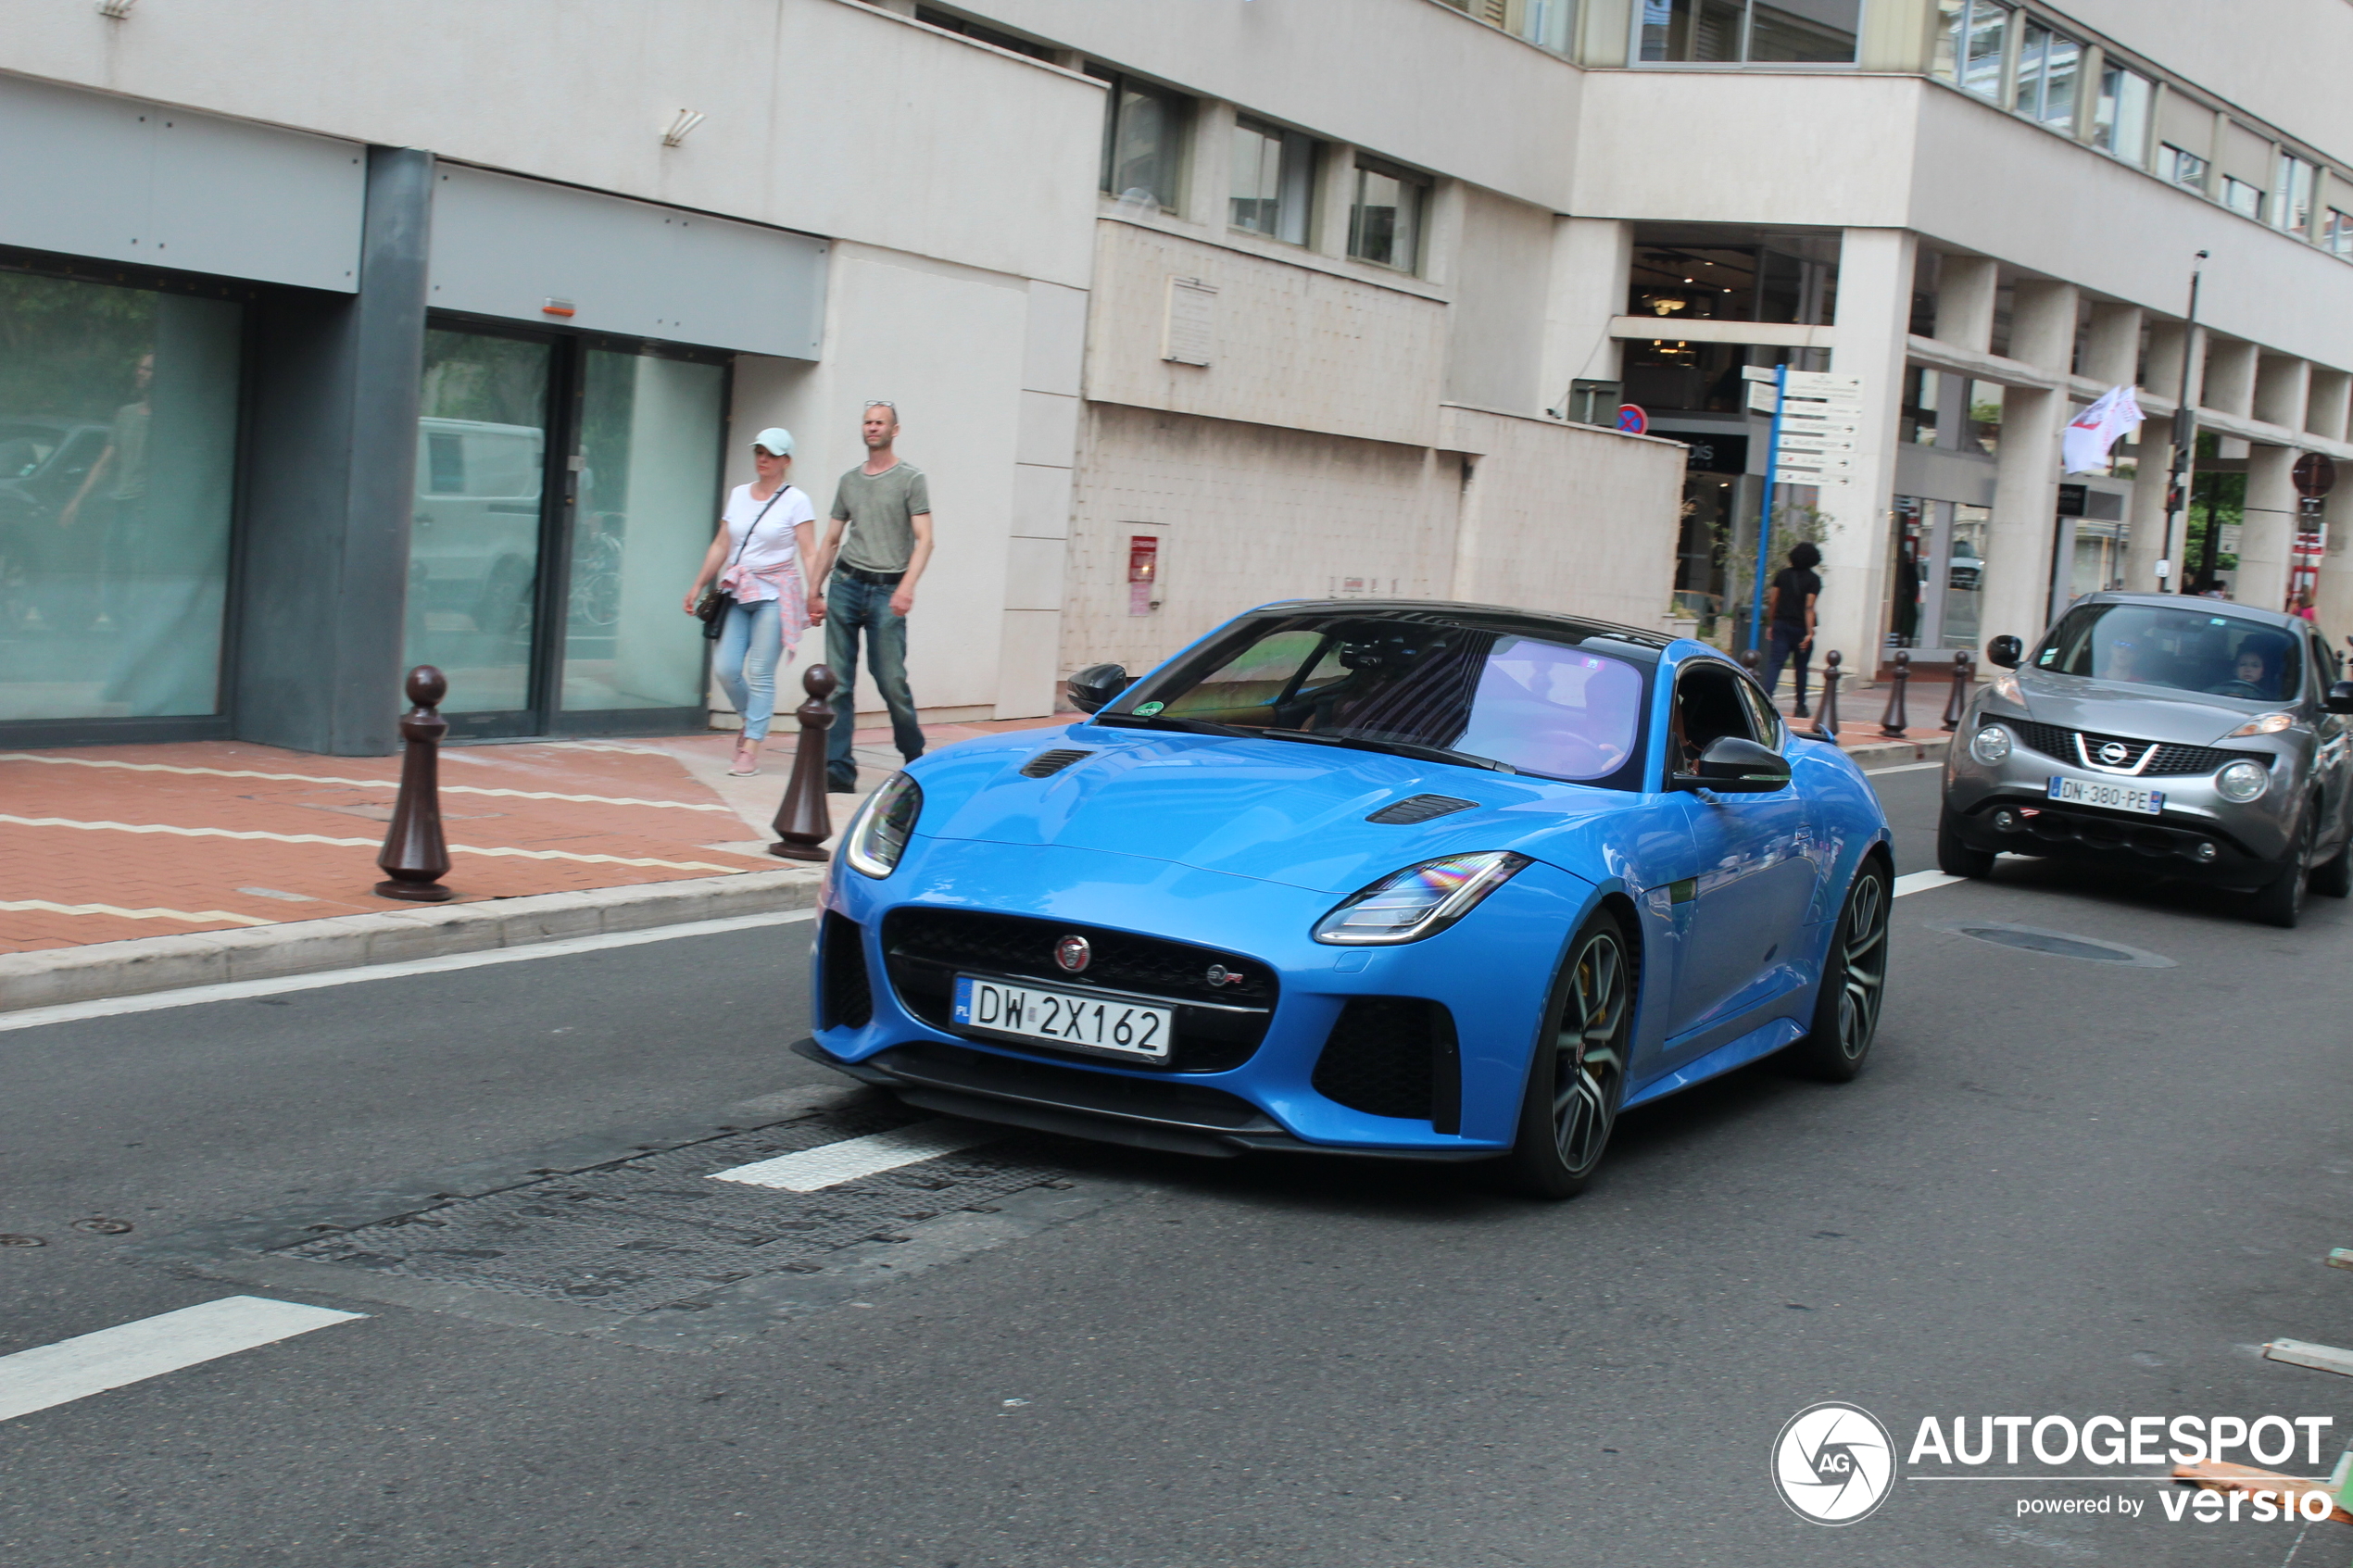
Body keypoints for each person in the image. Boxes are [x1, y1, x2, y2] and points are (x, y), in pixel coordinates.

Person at [809, 401, 934, 793]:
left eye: (880, 422)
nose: (873, 427)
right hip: (846, 583)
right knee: (839, 684)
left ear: (894, 430)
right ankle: (838, 768)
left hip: (887, 590)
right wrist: (812, 590)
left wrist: (906, 587)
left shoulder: (911, 479)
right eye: (868, 422)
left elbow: (926, 540)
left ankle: (914, 753)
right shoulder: (849, 481)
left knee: (891, 679)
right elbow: (831, 539)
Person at [684, 428, 817, 777]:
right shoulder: (739, 494)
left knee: (760, 672)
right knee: (726, 668)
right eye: (759, 451)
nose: (763, 458)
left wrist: (814, 592)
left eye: (771, 454)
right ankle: (751, 720)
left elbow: (809, 551)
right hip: (739, 590)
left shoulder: (796, 501)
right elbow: (721, 544)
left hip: (775, 593)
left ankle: (751, 747)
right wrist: (698, 584)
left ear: (786, 461)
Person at [1761, 541, 1821, 717]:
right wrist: (1810, 632)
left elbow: (1773, 601)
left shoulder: (1782, 575)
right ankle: (1800, 705)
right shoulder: (1814, 580)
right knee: (1801, 667)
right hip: (1800, 628)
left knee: (1775, 662)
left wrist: (1772, 623)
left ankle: (1767, 699)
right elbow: (1809, 608)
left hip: (1781, 625)